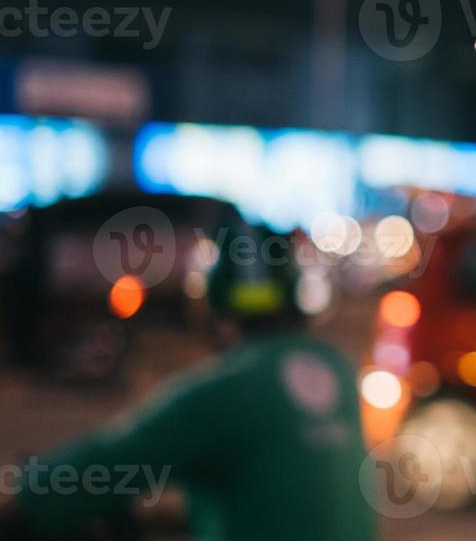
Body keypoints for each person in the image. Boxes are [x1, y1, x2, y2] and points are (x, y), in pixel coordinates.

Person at [3, 221, 377, 541]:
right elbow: (285, 493)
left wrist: (26, 498)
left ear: (211, 300)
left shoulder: (225, 389)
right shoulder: (336, 367)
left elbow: (108, 461)